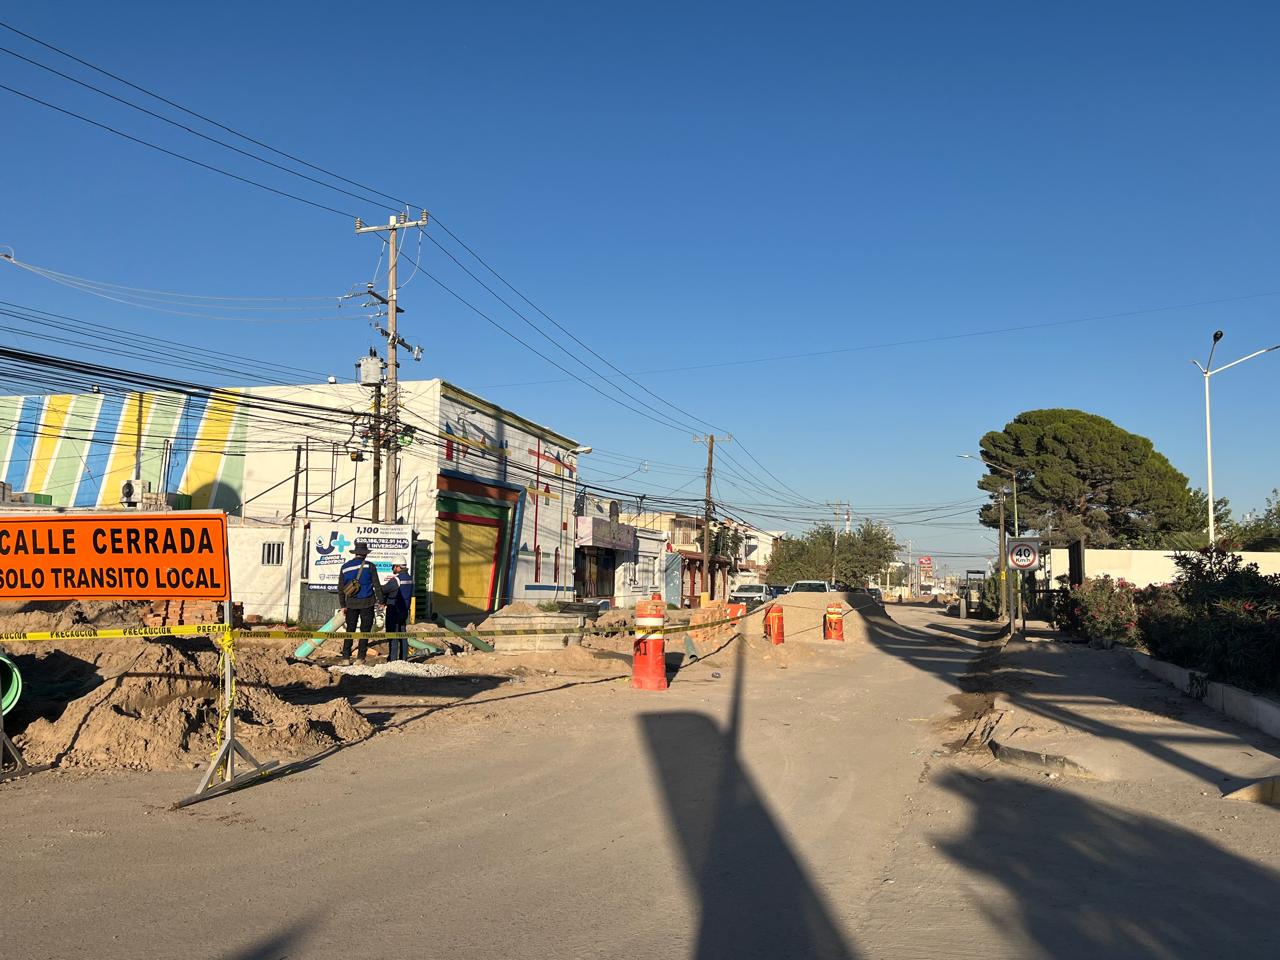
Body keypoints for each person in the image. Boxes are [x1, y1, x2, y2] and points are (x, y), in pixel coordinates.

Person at [338, 540, 382, 661]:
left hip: (351, 604)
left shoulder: (345, 567)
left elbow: (340, 588)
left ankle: (346, 657)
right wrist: (381, 601)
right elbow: (376, 585)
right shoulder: (370, 566)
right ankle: (360, 658)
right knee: (365, 631)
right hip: (367, 603)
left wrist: (343, 605)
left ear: (355, 553)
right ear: (365, 554)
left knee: (350, 631)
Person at [382, 563, 414, 661]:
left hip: (394, 610)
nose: (393, 569)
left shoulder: (396, 580)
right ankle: (404, 658)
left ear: (398, 567)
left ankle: (393, 659)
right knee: (403, 634)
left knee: (393, 634)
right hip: (404, 610)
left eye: (393, 567)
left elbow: (384, 589)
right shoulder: (410, 579)